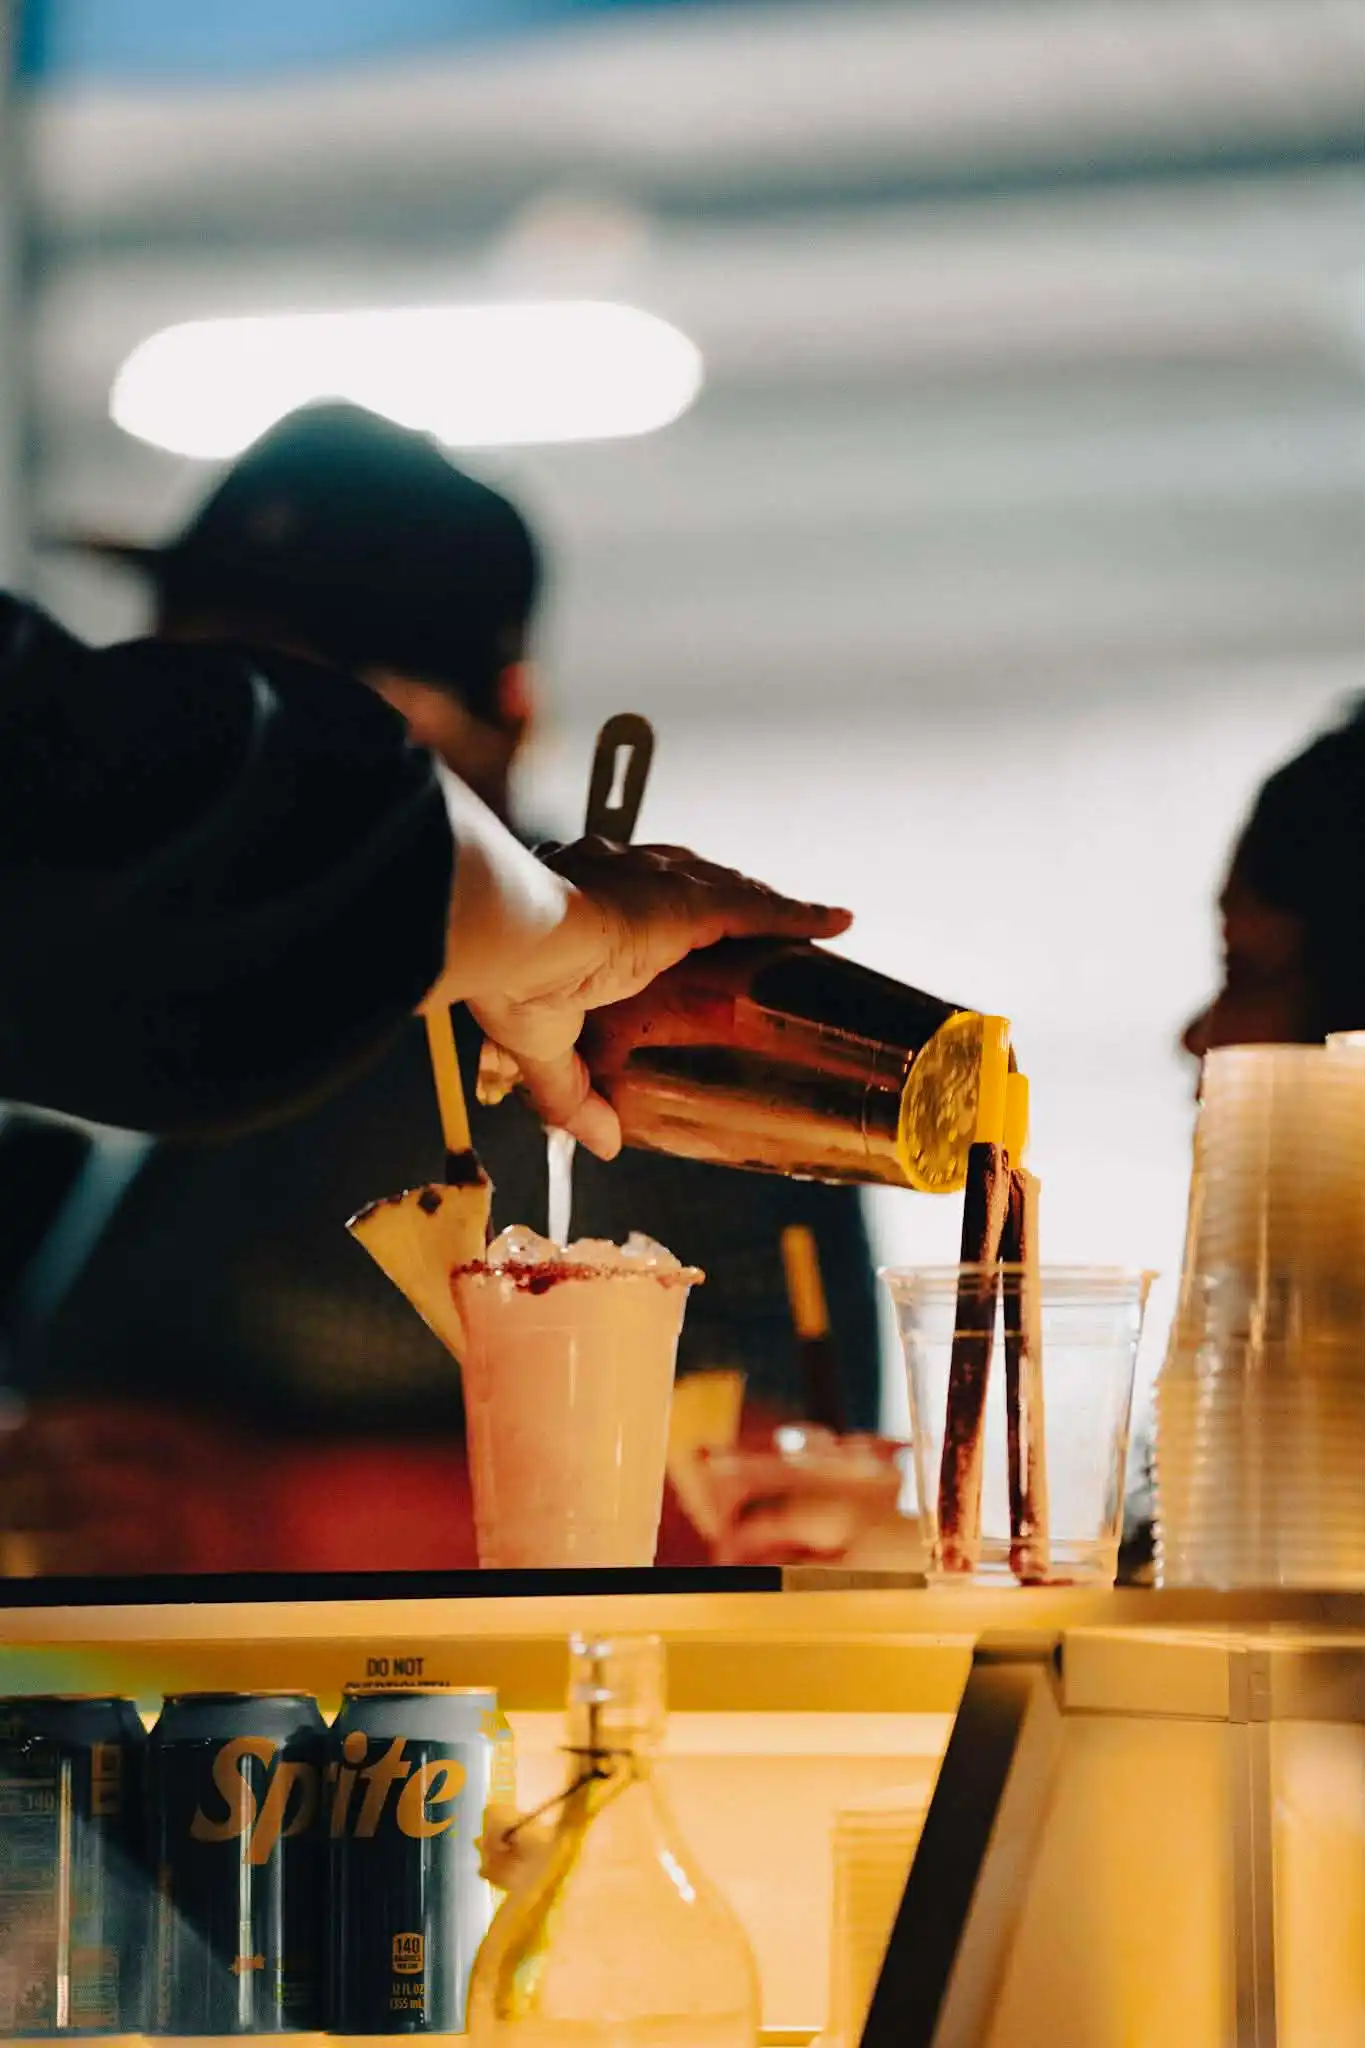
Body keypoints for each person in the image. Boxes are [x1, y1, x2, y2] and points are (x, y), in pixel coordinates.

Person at [1, 404, 880, 1571]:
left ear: (503, 718)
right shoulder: (190, 978)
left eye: (313, 724)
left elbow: (793, 1484)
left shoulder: (635, 1027)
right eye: (198, 713)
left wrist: (282, 1512)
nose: (226, 805)